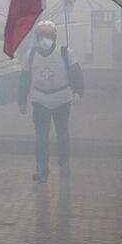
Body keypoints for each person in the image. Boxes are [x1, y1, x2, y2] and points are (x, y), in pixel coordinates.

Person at [19, 20, 84, 183]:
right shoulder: (31, 55)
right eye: (41, 35)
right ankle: (42, 168)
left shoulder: (65, 52)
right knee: (41, 136)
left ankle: (64, 162)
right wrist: (22, 100)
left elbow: (76, 73)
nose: (44, 39)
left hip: (62, 99)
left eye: (47, 35)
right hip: (39, 100)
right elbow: (24, 78)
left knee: (62, 134)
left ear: (54, 36)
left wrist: (78, 91)